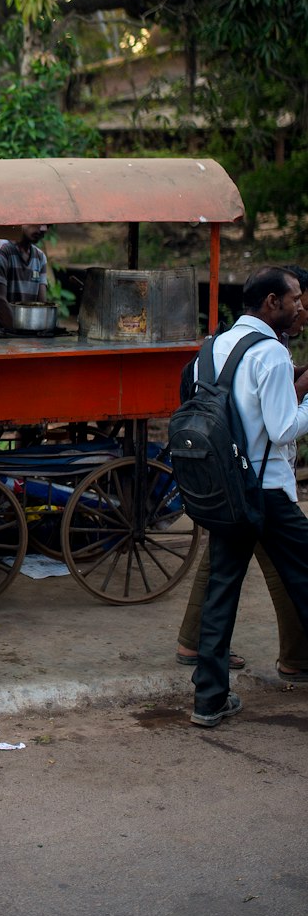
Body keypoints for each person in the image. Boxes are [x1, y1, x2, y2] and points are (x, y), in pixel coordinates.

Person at [188, 266, 308, 727]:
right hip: (268, 491)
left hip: (224, 491)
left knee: (222, 591)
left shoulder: (212, 347)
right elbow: (281, 428)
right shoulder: (271, 354)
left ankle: (209, 699)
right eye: (295, 299)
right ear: (271, 302)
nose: (300, 307)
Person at [0, 225, 50, 334]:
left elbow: (42, 304)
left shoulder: (40, 257)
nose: (44, 229)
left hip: (25, 335)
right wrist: (22, 334)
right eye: (39, 222)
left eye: (48, 225)